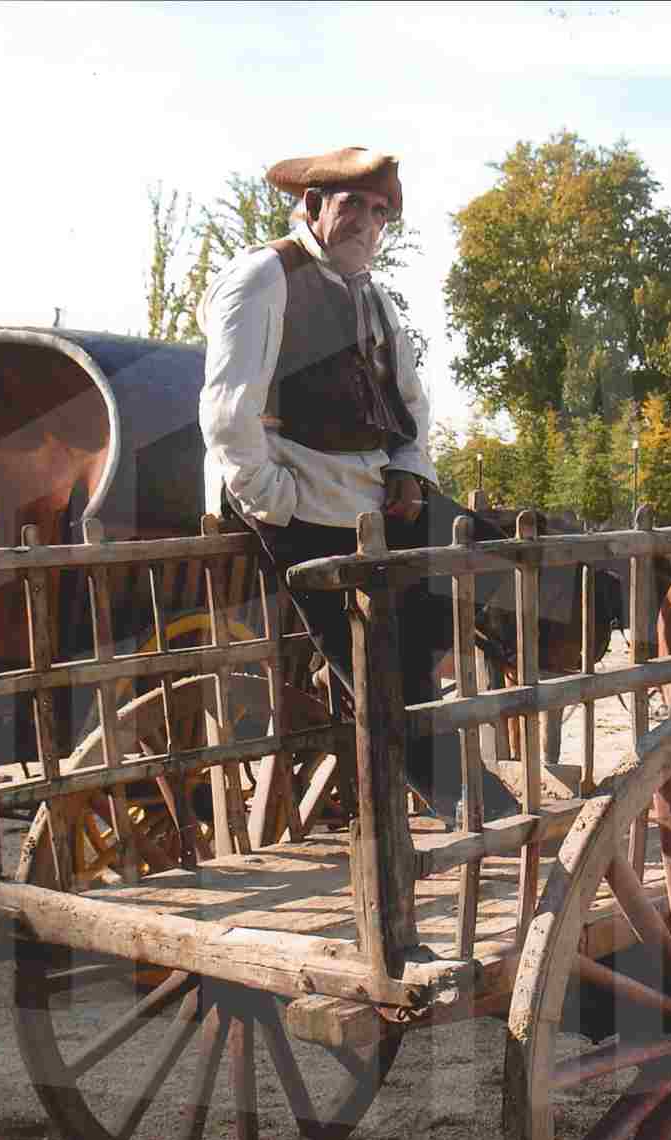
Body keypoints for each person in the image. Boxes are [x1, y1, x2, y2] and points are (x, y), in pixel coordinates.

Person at [197, 145, 514, 819]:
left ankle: (410, 674)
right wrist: (275, 501)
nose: (368, 225)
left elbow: (412, 401)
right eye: (354, 206)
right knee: (385, 684)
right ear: (313, 205)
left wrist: (409, 469)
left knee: (497, 563)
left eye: (380, 213)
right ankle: (477, 810)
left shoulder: (371, 294)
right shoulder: (263, 277)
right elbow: (228, 413)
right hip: (298, 504)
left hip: (368, 496)